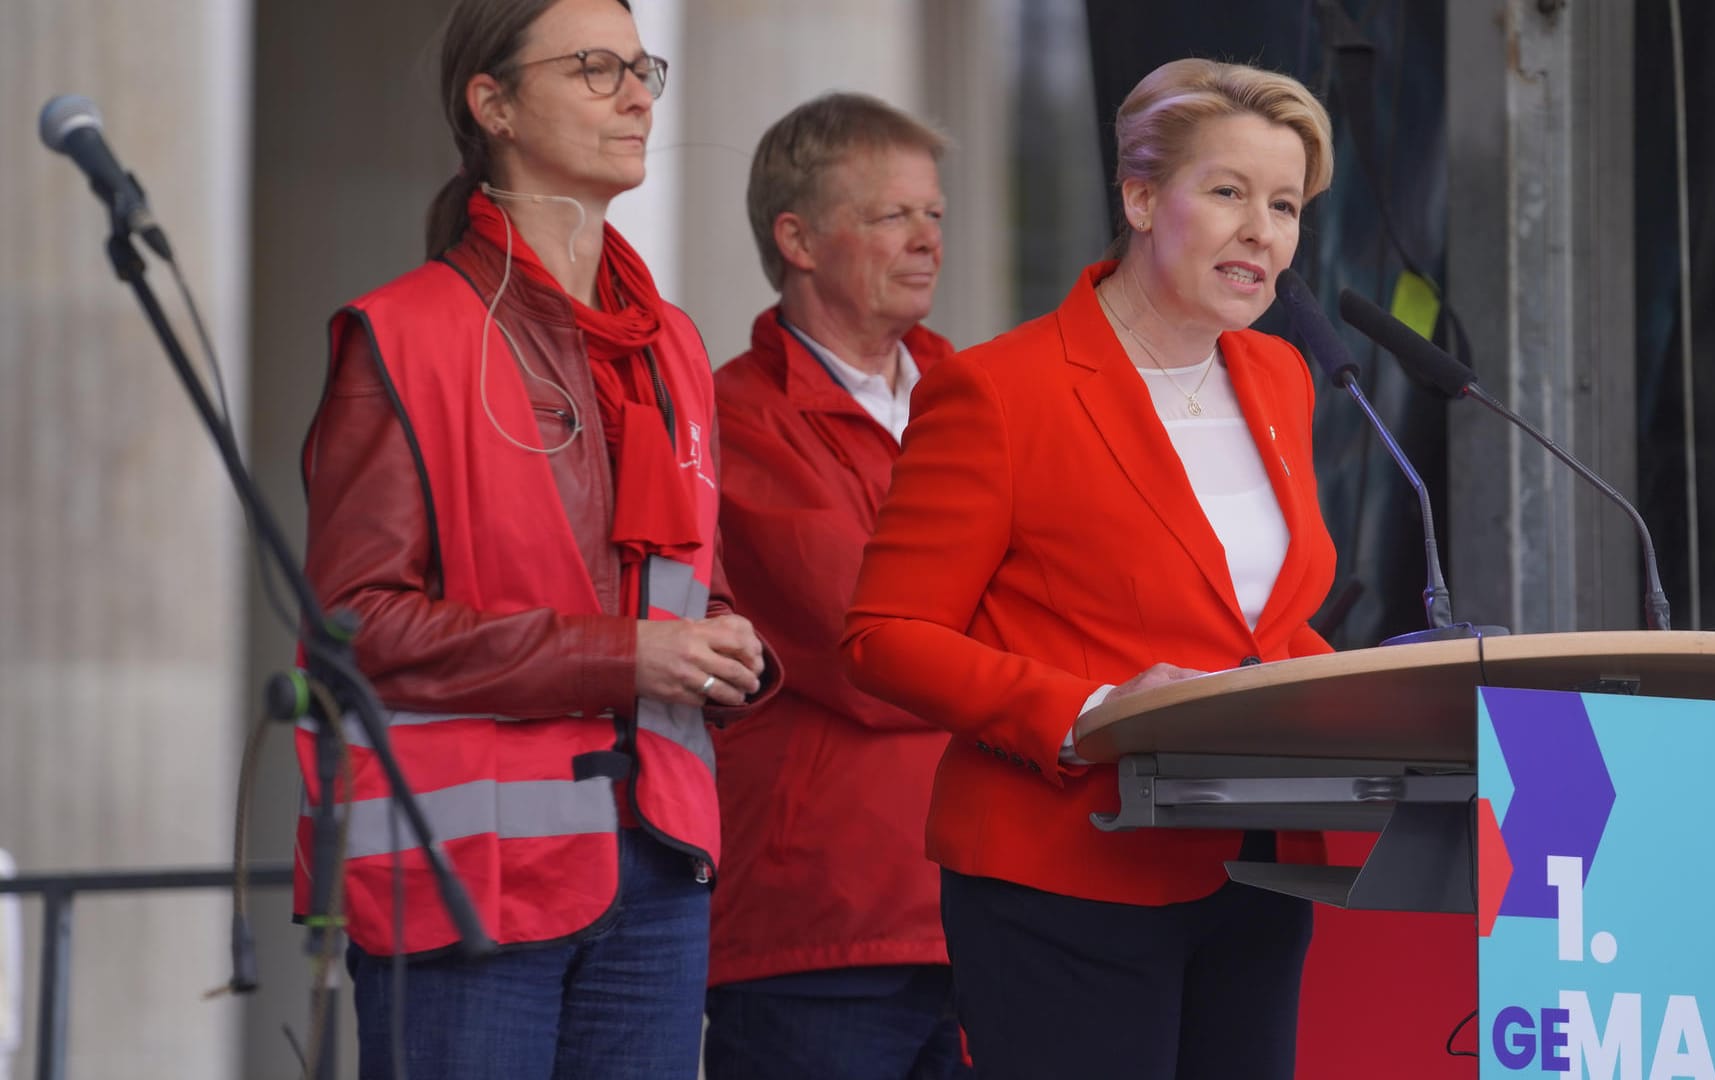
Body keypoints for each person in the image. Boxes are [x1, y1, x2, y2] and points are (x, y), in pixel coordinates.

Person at [295, 0, 777, 1076]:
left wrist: (735, 645)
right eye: (595, 68)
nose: (639, 93)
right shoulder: (406, 332)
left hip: (657, 859)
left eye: (642, 66)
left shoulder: (673, 344)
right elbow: (353, 624)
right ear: (494, 104)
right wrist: (624, 654)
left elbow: (694, 587)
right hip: (468, 884)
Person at [841, 58, 1339, 1079]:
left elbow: (1258, 623)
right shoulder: (999, 392)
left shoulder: (1283, 376)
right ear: (1141, 196)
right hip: (1067, 875)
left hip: (1255, 870)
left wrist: (1372, 699)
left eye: (1284, 204)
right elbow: (884, 638)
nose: (1263, 232)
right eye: (1229, 193)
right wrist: (1095, 714)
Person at [702, 92, 969, 1080]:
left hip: (988, 906)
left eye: (935, 215)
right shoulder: (734, 417)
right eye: (893, 215)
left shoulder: (978, 398)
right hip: (819, 929)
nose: (926, 241)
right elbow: (875, 650)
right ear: (798, 238)